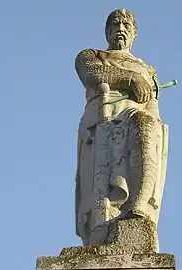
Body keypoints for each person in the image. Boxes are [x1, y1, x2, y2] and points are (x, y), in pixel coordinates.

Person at [75, 9, 168, 246]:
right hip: (103, 122)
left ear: (134, 33)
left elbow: (152, 105)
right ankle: (103, 225)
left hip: (137, 120)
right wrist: (130, 80)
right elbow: (93, 74)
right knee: (102, 194)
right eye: (115, 24)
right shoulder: (92, 55)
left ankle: (139, 209)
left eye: (127, 24)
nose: (121, 28)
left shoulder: (148, 70)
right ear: (107, 31)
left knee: (147, 128)